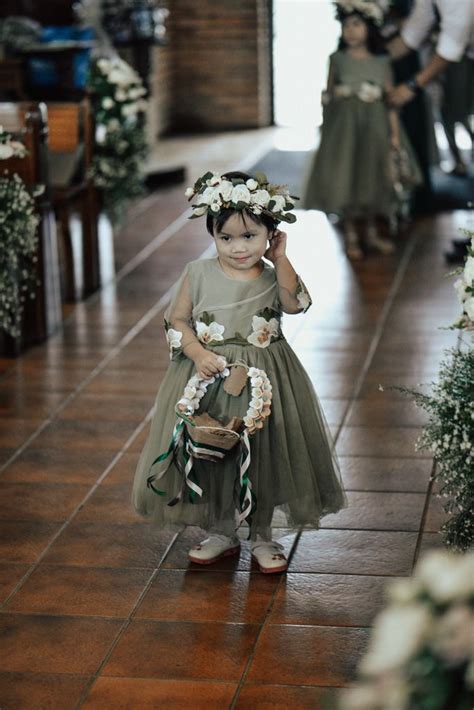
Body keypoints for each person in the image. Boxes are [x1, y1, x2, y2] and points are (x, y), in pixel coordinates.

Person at [131, 170, 348, 573]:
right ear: (212, 235)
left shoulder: (271, 275)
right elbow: (175, 321)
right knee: (214, 450)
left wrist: (281, 259)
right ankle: (221, 531)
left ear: (271, 232)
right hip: (209, 376)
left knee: (265, 452)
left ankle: (263, 534)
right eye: (225, 238)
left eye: (249, 236)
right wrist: (196, 353)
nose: (237, 248)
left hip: (267, 377)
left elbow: (297, 303)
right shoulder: (197, 274)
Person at [302, 0, 422, 260]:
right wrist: (331, 108)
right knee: (349, 176)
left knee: (371, 176)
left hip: (375, 127)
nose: (350, 30)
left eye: (356, 24)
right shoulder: (337, 59)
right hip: (345, 130)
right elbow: (329, 95)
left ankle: (370, 231)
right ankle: (351, 234)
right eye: (346, 25)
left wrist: (393, 136)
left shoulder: (381, 62)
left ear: (370, 28)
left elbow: (390, 102)